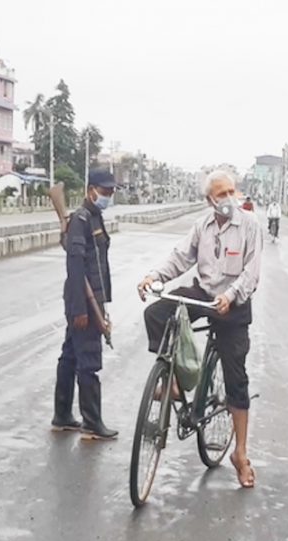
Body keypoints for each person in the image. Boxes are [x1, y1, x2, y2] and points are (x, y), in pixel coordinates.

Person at [137, 170, 263, 488]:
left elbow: (252, 273)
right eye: (221, 194)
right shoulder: (202, 226)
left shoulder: (249, 225)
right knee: (156, 311)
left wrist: (231, 295)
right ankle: (173, 381)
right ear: (209, 200)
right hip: (204, 295)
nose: (228, 199)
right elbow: (181, 257)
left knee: (237, 380)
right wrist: (154, 276)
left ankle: (241, 454)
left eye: (232, 191)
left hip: (233, 304)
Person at [51, 169, 119, 440]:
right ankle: (92, 422)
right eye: (105, 191)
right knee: (88, 360)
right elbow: (75, 267)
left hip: (92, 299)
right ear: (91, 190)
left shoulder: (93, 217)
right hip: (83, 302)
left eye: (111, 192)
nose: (108, 196)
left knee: (70, 356)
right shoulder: (81, 220)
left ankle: (63, 415)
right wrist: (81, 309)